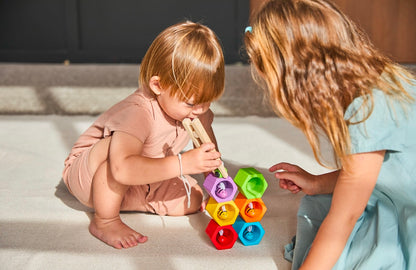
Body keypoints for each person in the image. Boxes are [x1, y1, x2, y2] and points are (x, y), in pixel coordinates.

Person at [244, 0, 416, 269]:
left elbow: (345, 217)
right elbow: (383, 168)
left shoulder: (368, 112)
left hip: (408, 208)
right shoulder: (377, 80)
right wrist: (318, 182)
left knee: (351, 247)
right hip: (404, 194)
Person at [62, 21, 225, 249]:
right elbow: (121, 168)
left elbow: (211, 155)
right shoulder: (139, 112)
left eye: (209, 100)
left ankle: (134, 198)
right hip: (90, 176)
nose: (200, 109)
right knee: (114, 152)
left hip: (141, 172)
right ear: (158, 85)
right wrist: (182, 164)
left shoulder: (199, 112)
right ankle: (105, 219)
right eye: (191, 102)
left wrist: (220, 185)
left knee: (194, 201)